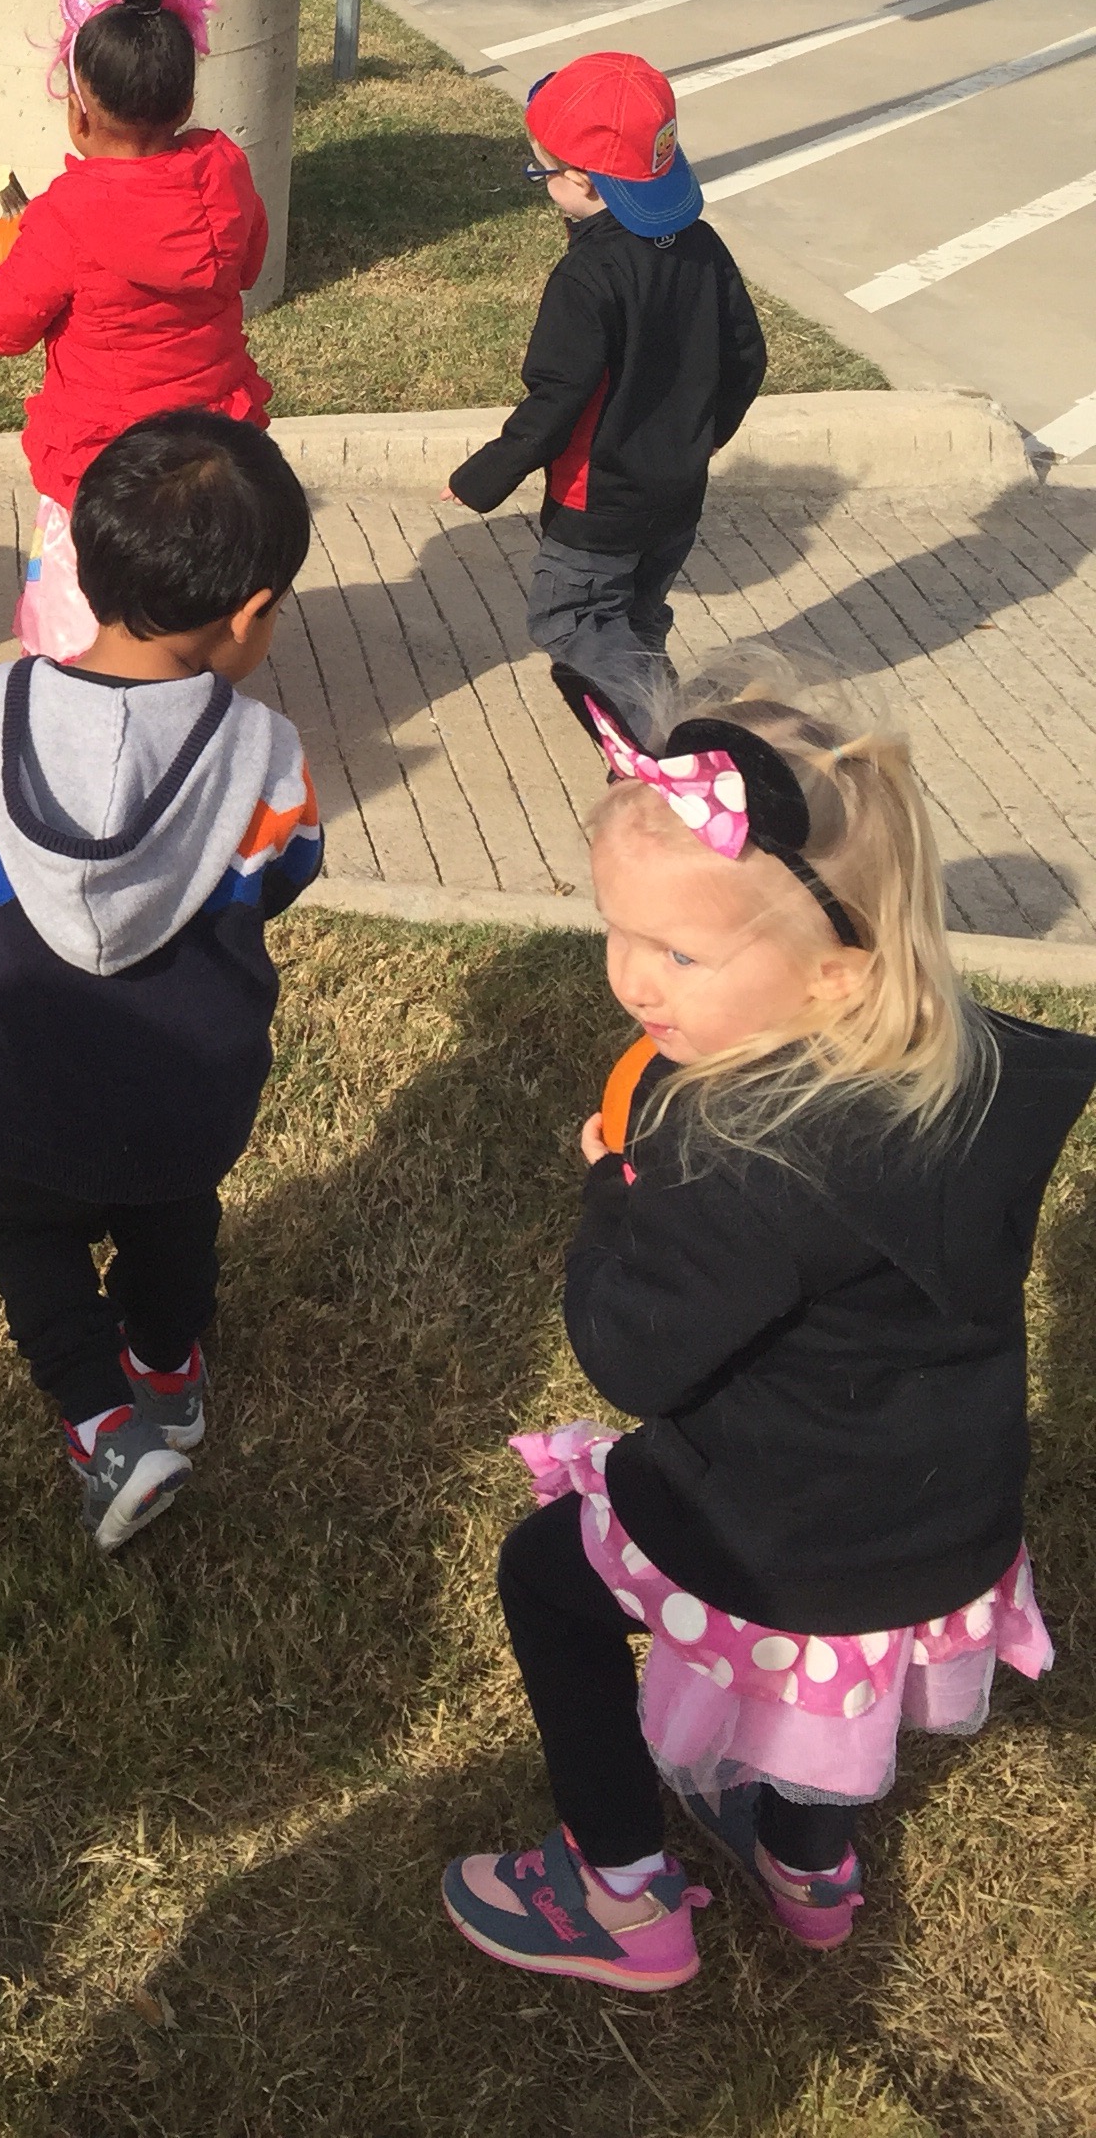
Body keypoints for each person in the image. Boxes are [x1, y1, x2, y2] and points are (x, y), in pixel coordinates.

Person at [442, 670, 1094, 1993]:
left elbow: (630, 1353)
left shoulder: (741, 1164)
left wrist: (614, 1191)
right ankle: (808, 1867)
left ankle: (619, 1894)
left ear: (834, 972)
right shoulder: (973, 1073)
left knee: (547, 1576)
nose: (631, 978)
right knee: (818, 1718)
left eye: (679, 955)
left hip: (775, 1540)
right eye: (618, 930)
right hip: (936, 1527)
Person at [0, 414, 324, 1555]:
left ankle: (103, 1423)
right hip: (190, 1087)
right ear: (249, 614)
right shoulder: (267, 752)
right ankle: (167, 1371)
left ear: (83, 569)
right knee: (172, 1217)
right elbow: (284, 876)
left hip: (27, 1076)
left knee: (14, 1227)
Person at [0, 0, 269, 659]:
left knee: (86, 601)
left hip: (106, 461)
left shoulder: (63, 216)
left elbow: (0, 328)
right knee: (192, 579)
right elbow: (246, 264)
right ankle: (189, 674)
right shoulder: (227, 172)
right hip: (209, 446)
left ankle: (80, 689)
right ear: (186, 102)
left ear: (78, 112)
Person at [443, 50, 766, 728]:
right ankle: (650, 715)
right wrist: (706, 438)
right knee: (638, 612)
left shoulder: (587, 278)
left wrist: (483, 475)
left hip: (598, 500)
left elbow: (556, 399)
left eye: (543, 173)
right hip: (679, 490)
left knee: (571, 618)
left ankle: (657, 738)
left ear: (585, 183)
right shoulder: (703, 245)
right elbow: (746, 355)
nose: (542, 184)